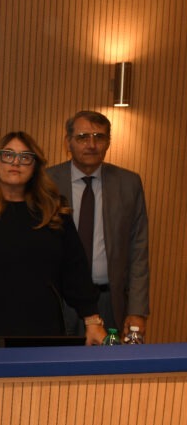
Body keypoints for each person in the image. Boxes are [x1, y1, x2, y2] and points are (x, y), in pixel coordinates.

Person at [0, 131, 105, 348]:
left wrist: (93, 321)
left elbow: (75, 271)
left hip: (43, 330)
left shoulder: (54, 212)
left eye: (25, 157)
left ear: (35, 166)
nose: (16, 163)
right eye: (8, 155)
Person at [46, 111, 150, 340]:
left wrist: (137, 310)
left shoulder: (128, 183)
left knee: (108, 362)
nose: (91, 145)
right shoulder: (47, 182)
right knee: (56, 361)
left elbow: (138, 250)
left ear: (108, 143)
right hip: (59, 303)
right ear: (68, 142)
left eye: (99, 137)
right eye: (83, 137)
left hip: (109, 302)